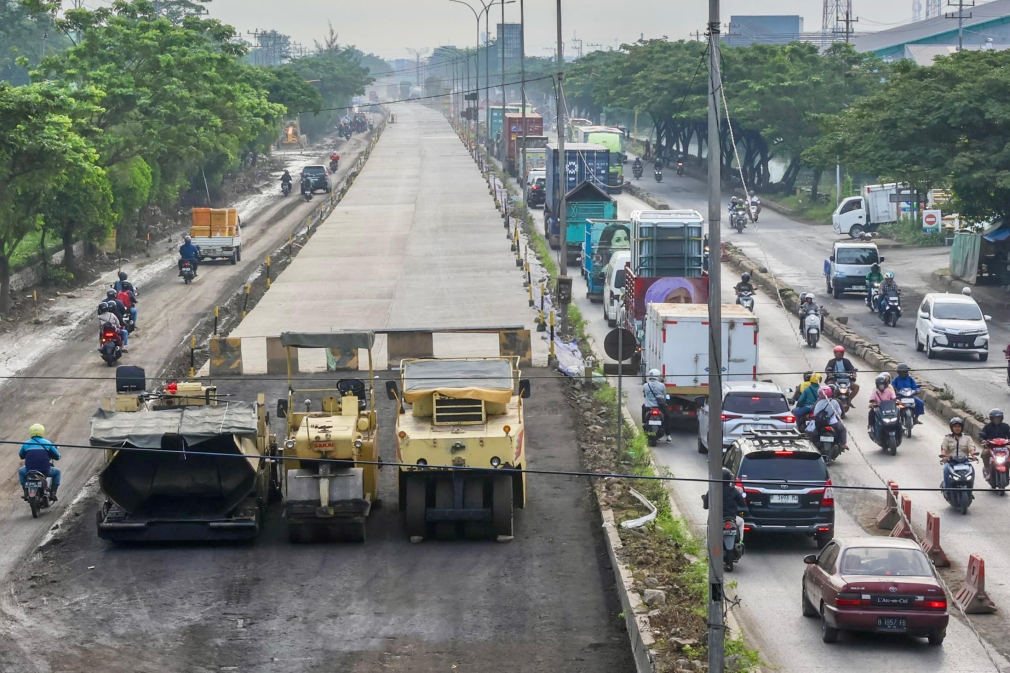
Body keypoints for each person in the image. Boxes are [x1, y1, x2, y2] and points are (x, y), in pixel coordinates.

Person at [18, 424, 61, 501]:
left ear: (31, 432)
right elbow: (57, 456)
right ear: (42, 432)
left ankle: (25, 491)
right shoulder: (47, 443)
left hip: (29, 470)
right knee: (57, 472)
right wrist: (58, 456)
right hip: (45, 470)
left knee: (21, 471)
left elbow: (21, 455)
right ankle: (53, 493)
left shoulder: (26, 444)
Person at [940, 416, 978, 490]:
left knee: (972, 470)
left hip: (964, 462)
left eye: (959, 426)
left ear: (962, 428)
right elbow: (943, 449)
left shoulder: (967, 438)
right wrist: (944, 457)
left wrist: (973, 456)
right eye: (955, 426)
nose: (957, 428)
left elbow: (971, 448)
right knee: (946, 470)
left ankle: (970, 490)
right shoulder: (947, 438)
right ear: (952, 428)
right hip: (951, 462)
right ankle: (947, 490)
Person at [807, 386, 848, 451]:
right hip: (833, 423)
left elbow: (815, 413)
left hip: (819, 424)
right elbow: (839, 413)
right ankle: (843, 444)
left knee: (810, 432)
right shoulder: (835, 402)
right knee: (843, 429)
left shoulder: (818, 402)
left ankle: (811, 445)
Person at [979, 408, 1010, 479]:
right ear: (991, 418)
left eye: (998, 417)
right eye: (995, 418)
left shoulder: (1005, 426)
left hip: (1003, 447)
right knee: (984, 453)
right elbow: (982, 434)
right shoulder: (987, 426)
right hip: (991, 447)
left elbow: (1009, 434)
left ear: (1001, 418)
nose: (997, 419)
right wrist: (983, 440)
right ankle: (987, 469)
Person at [642, 369, 670, 443]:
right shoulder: (661, 385)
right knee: (667, 418)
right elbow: (664, 397)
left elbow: (644, 395)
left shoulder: (645, 385)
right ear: (657, 376)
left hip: (648, 407)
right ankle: (668, 435)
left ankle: (644, 422)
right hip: (659, 407)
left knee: (643, 408)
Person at [722, 467, 749, 543]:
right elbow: (743, 505)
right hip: (732, 519)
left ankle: (710, 543)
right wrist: (743, 513)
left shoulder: (713, 489)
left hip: (717, 520)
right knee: (741, 521)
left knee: (710, 525)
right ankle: (740, 541)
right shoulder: (734, 490)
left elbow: (706, 505)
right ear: (730, 479)